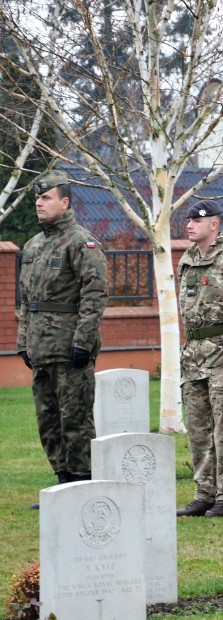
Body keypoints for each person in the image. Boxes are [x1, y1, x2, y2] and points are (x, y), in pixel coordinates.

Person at [17, 169, 108, 505]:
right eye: (37, 198)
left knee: (75, 419)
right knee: (48, 419)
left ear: (65, 202)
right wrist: (23, 340)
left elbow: (95, 294)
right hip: (41, 347)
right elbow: (27, 301)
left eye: (46, 198)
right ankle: (62, 480)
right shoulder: (33, 245)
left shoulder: (81, 242)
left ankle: (82, 485)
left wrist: (84, 340)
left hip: (69, 348)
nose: (39, 203)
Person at [175, 200, 223, 518]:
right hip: (193, 355)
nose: (191, 224)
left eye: (198, 219)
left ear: (215, 224)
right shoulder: (187, 261)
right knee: (198, 428)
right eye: (189, 219)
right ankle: (204, 492)